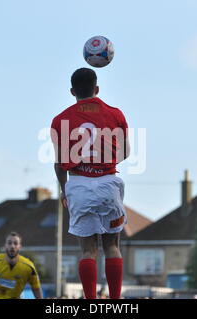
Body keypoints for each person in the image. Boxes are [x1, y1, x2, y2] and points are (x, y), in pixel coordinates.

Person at [51, 68, 130, 299]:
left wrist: (63, 190)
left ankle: (90, 301)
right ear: (97, 89)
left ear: (72, 91)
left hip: (78, 185)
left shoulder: (59, 120)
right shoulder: (116, 114)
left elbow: (59, 164)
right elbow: (125, 152)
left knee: (88, 250)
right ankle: (115, 301)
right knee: (112, 246)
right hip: (108, 184)